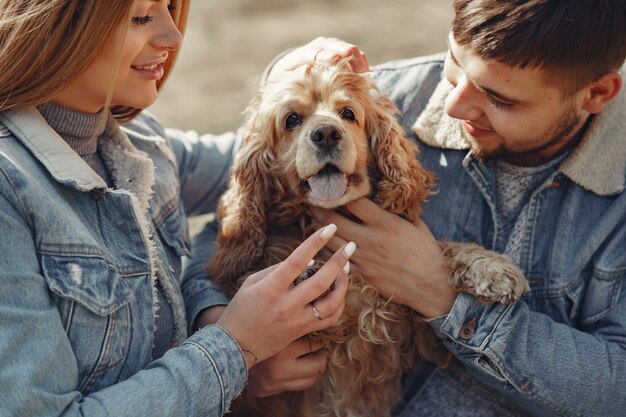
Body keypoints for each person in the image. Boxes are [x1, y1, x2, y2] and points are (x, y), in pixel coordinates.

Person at [187, 1, 626, 416]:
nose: (453, 105)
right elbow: (225, 237)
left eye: (500, 100)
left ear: (597, 93)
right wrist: (232, 345)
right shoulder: (388, 97)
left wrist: (439, 291)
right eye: (454, 66)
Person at [0, 2, 367, 416]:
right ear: (64, 22)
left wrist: (287, 73)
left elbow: (264, 155)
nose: (173, 37)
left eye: (171, 8)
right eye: (141, 17)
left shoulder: (143, 141)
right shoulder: (10, 188)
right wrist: (236, 350)